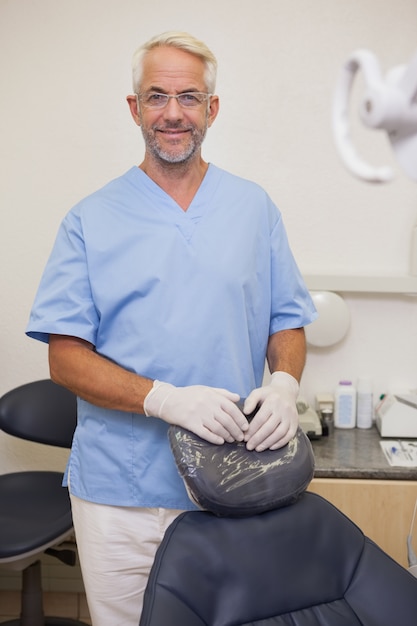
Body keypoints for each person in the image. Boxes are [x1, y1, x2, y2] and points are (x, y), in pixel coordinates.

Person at [26, 30, 317, 625]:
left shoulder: (253, 208)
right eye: (157, 96)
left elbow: (287, 320)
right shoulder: (90, 219)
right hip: (120, 492)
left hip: (231, 483)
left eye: (189, 97)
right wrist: (163, 399)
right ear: (135, 109)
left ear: (212, 108)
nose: (173, 113)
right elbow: (65, 359)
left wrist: (285, 383)